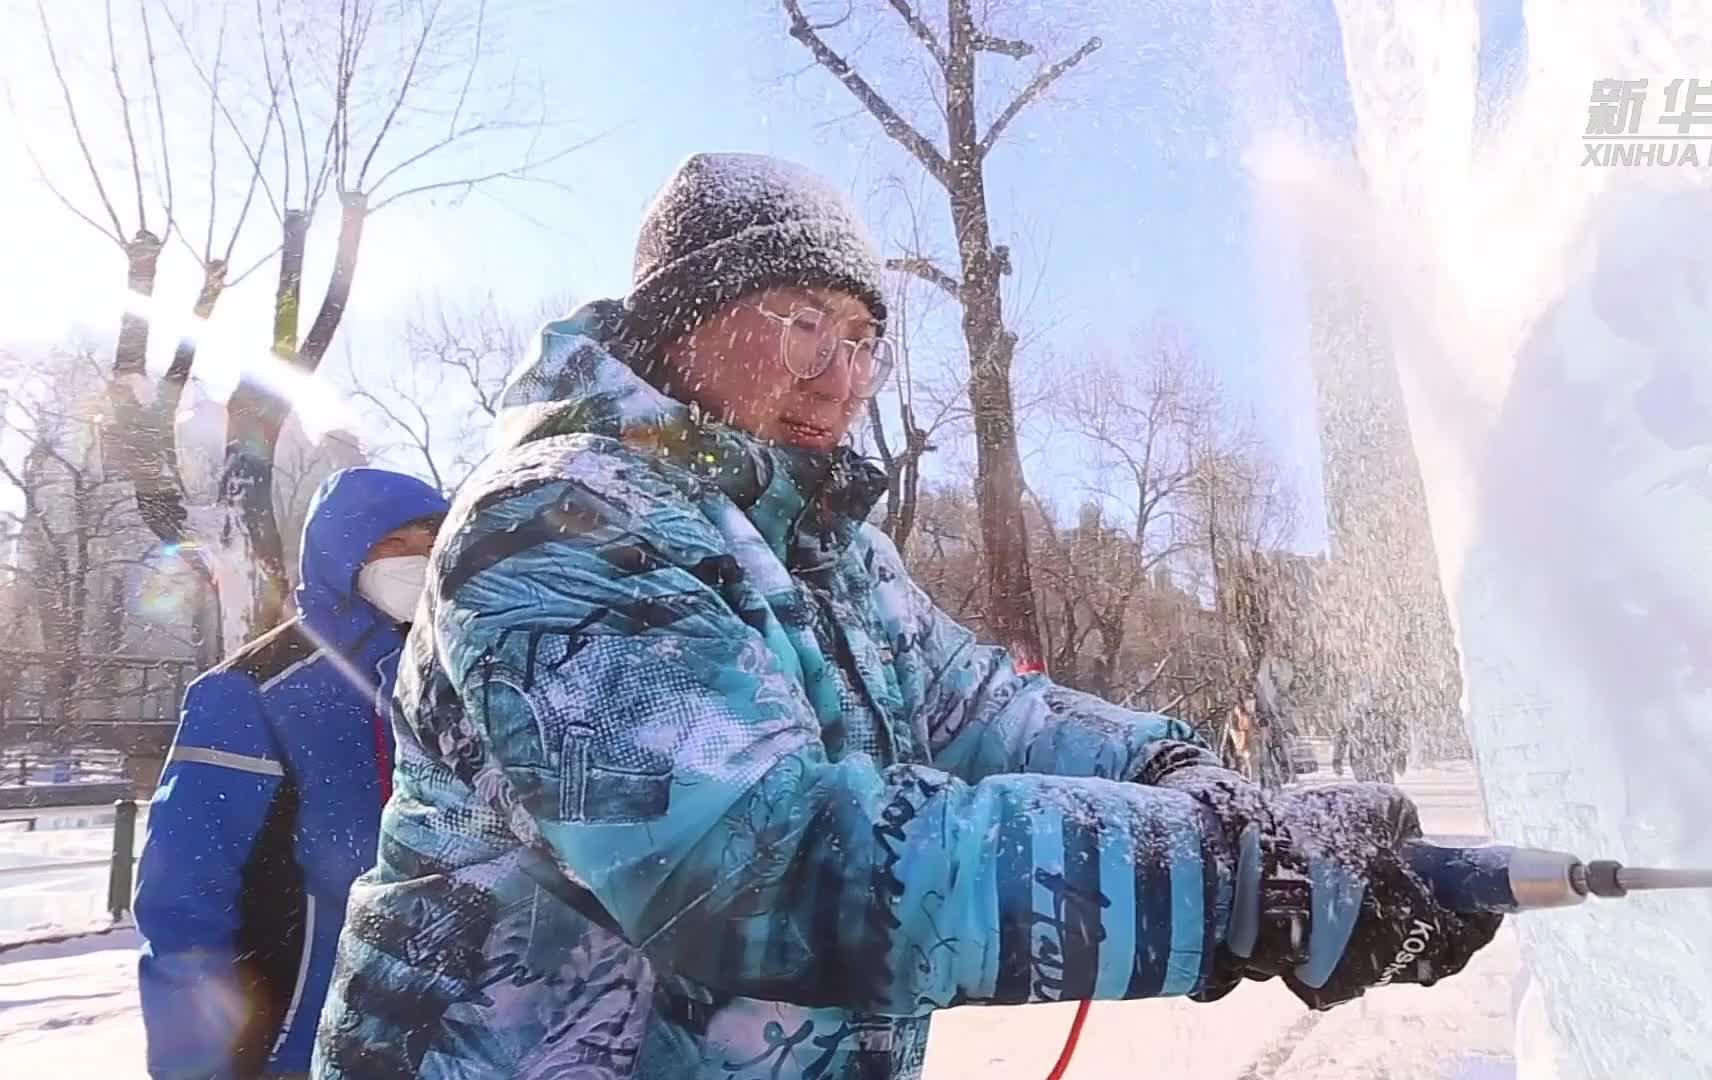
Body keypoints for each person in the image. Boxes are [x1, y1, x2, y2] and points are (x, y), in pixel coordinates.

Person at [313, 153, 1501, 1079]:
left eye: (865, 336)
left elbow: (996, 711)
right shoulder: (558, 523)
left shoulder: (831, 556)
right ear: (683, 320)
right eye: (802, 322)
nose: (843, 376)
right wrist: (1243, 886)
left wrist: (1202, 785)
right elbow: (759, 868)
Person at [135, 467, 449, 1080]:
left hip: (436, 1041)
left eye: (433, 544)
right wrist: (196, 1065)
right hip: (293, 1042)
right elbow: (184, 897)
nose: (419, 559)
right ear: (343, 548)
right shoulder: (252, 689)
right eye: (394, 542)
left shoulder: (452, 679)